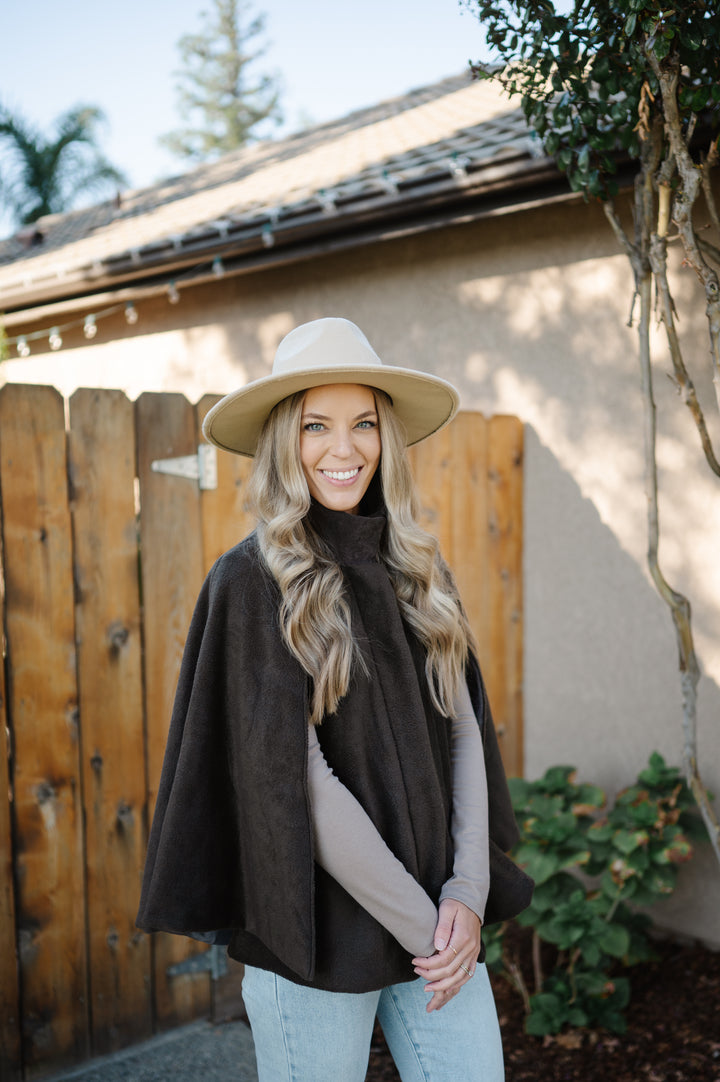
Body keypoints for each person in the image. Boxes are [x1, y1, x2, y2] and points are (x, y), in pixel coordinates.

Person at [137, 317, 533, 1082]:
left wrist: (468, 895)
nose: (342, 449)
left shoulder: (420, 569)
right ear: (286, 439)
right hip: (313, 934)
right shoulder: (251, 581)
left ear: (387, 436)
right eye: (316, 425)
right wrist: (430, 928)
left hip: (440, 920)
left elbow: (463, 731)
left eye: (363, 424)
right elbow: (299, 781)